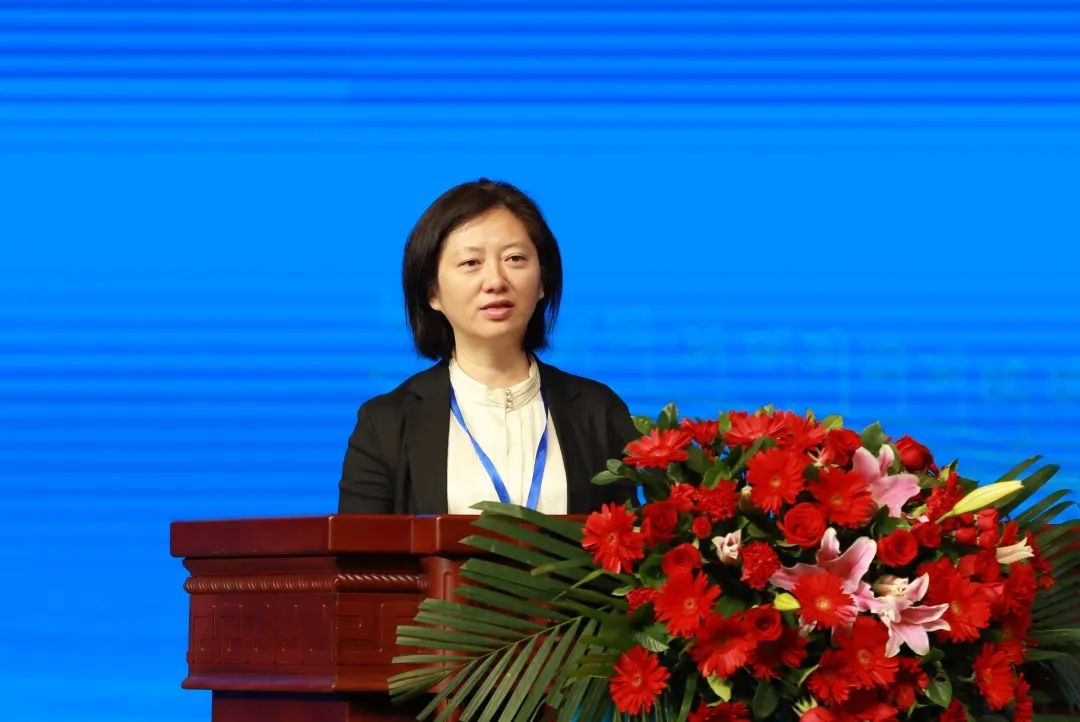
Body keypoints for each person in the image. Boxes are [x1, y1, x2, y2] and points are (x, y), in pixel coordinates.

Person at [338, 179, 637, 515]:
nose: (495, 281)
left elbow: (627, 538)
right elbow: (357, 550)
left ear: (542, 282)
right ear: (432, 292)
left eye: (515, 258)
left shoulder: (598, 411)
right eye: (471, 263)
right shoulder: (385, 424)